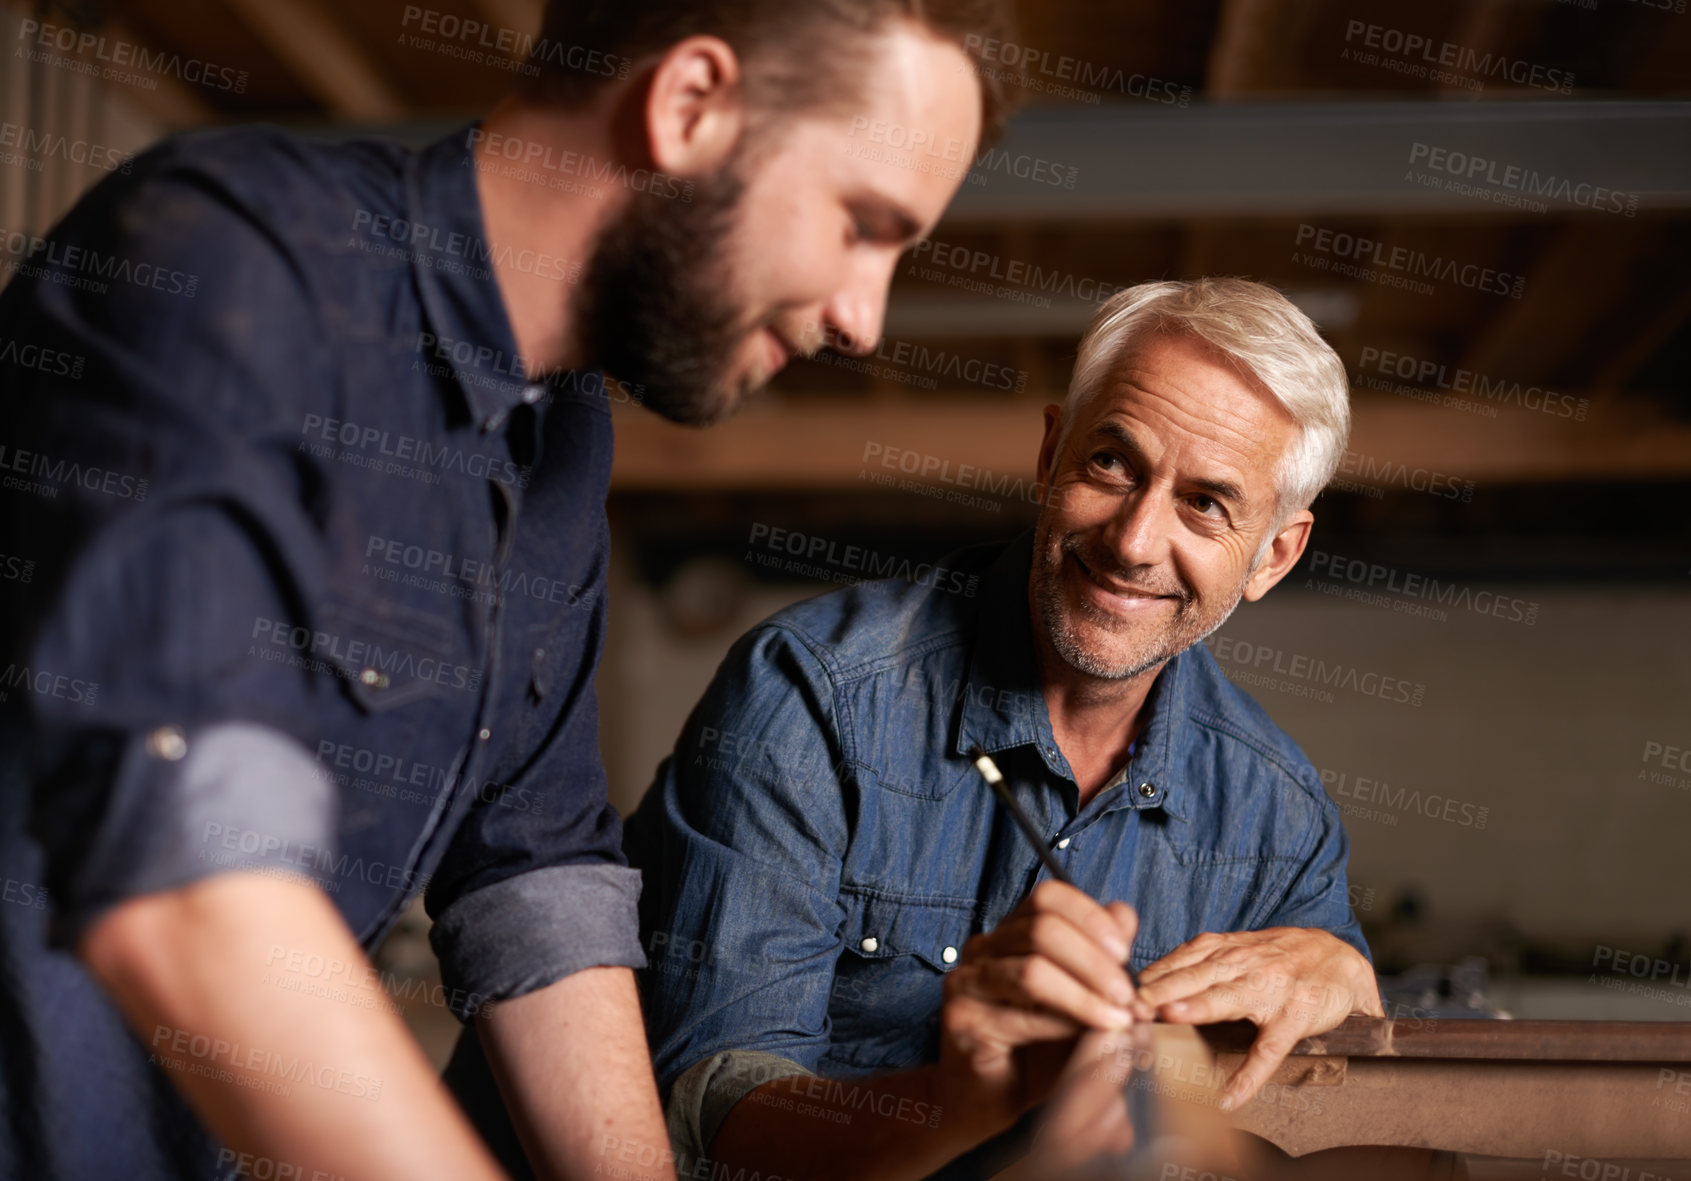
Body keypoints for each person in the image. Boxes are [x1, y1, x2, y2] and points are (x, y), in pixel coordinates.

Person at [0, 1, 1011, 1177]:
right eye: (860, 225)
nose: (863, 319)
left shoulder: (559, 440)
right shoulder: (230, 262)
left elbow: (534, 871)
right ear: (688, 105)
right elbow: (187, 866)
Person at [623, 278, 1387, 1180]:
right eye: (1111, 463)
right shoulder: (811, 693)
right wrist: (970, 1102)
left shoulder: (1277, 815)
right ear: (1049, 454)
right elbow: (710, 1105)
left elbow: (1337, 1090)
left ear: (1274, 554)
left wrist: (1350, 978)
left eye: (1205, 503)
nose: (1135, 540)